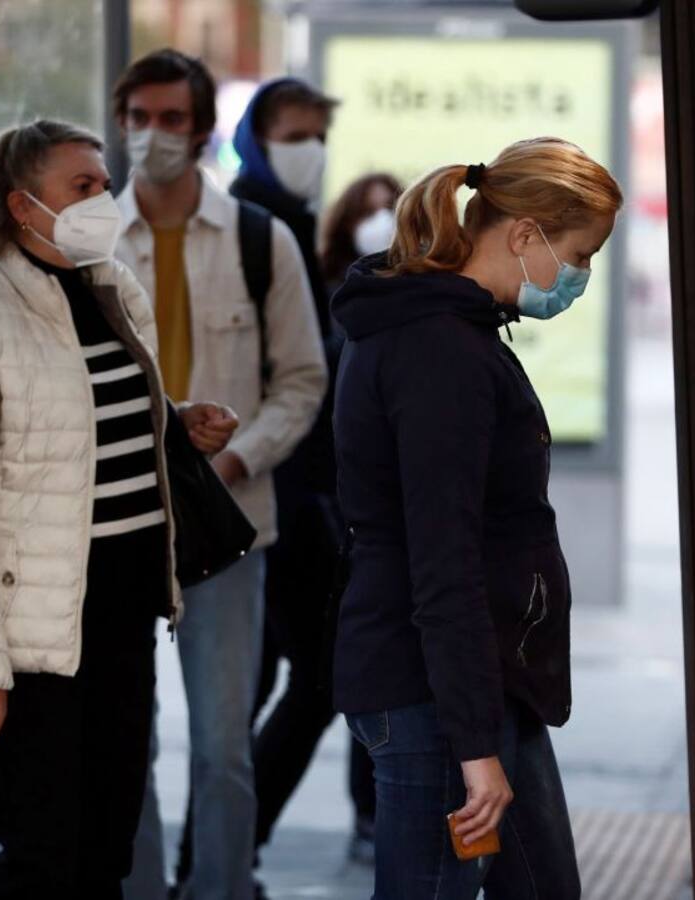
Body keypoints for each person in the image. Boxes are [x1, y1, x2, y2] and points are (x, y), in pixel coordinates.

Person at [0, 119, 240, 898]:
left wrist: (172, 423)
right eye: (82, 187)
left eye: (103, 186)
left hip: (124, 613)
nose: (103, 201)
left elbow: (76, 425)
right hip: (38, 639)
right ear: (21, 205)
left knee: (107, 847)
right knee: (43, 858)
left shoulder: (113, 286)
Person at [332, 137, 621, 898]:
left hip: (477, 685)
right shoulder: (440, 354)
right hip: (436, 698)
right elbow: (443, 558)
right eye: (581, 254)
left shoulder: (451, 332)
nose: (581, 276)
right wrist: (471, 746)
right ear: (524, 235)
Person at [112, 50, 329, 900]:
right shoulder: (93, 237)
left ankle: (220, 890)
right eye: (138, 118)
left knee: (223, 747)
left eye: (171, 120)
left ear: (203, 131)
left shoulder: (256, 239)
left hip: (229, 527)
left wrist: (237, 459)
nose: (152, 137)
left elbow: (304, 381)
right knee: (128, 738)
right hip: (119, 523)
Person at [219, 79, 381, 885]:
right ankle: (223, 853)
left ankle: (221, 854)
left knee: (268, 683)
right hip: (270, 496)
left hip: (293, 496)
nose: (309, 150)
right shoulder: (252, 224)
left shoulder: (284, 222)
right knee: (311, 679)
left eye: (318, 134)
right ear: (257, 136)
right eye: (294, 133)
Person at [321, 172, 404, 292]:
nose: (383, 219)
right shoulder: (326, 286)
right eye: (369, 212)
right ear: (346, 224)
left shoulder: (421, 278)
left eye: (390, 207)